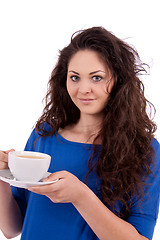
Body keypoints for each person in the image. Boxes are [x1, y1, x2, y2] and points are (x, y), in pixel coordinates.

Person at [0, 26, 160, 240]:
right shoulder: (44, 135)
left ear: (119, 81)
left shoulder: (144, 149)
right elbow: (12, 229)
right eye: (75, 77)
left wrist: (81, 196)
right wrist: (1, 179)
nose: (83, 89)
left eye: (96, 78)